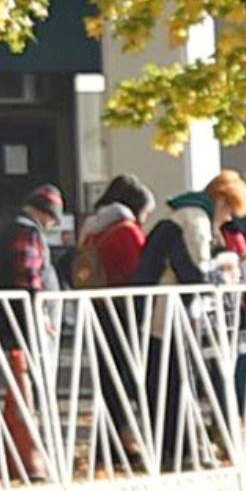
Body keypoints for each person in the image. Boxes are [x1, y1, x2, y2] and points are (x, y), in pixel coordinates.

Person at [133, 169, 246, 468]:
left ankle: (171, 448)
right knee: (178, 379)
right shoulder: (195, 220)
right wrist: (221, 272)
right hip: (169, 312)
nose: (228, 219)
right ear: (222, 200)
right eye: (230, 211)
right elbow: (195, 273)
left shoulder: (179, 215)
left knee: (167, 380)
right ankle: (185, 450)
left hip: (161, 309)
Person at [0, 183, 64, 482]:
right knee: (25, 384)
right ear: (47, 215)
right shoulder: (26, 231)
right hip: (23, 323)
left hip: (7, 318)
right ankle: (26, 459)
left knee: (15, 387)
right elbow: (28, 275)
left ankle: (13, 455)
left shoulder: (3, 224)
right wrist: (39, 312)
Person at [75, 175, 157, 466]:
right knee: (123, 378)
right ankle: (125, 442)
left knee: (106, 380)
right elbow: (138, 272)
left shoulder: (93, 228)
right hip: (121, 312)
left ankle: (106, 445)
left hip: (98, 309)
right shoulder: (126, 231)